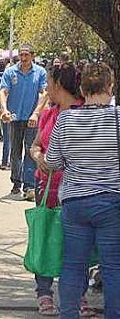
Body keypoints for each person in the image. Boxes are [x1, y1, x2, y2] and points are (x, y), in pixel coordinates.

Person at [46, 62, 120, 318]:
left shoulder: (66, 119)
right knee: (113, 268)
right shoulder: (117, 118)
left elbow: (53, 162)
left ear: (81, 88)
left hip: (75, 203)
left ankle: (68, 314)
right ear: (110, 87)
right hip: (112, 202)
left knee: (73, 265)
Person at [29, 63, 95, 317]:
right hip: (46, 187)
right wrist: (39, 158)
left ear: (59, 85)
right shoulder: (49, 113)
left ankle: (78, 295)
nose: (47, 88)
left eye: (49, 82)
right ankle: (44, 292)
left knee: (76, 243)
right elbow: (35, 146)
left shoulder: (85, 113)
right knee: (45, 236)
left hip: (76, 190)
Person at [0, 43, 47, 200]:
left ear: (32, 56)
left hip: (31, 119)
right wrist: (4, 109)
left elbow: (43, 94)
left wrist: (36, 113)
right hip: (14, 118)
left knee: (30, 151)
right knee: (15, 152)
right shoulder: (10, 72)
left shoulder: (40, 73)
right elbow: (3, 91)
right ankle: (16, 182)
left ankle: (29, 185)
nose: (24, 58)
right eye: (21, 55)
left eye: (27, 55)